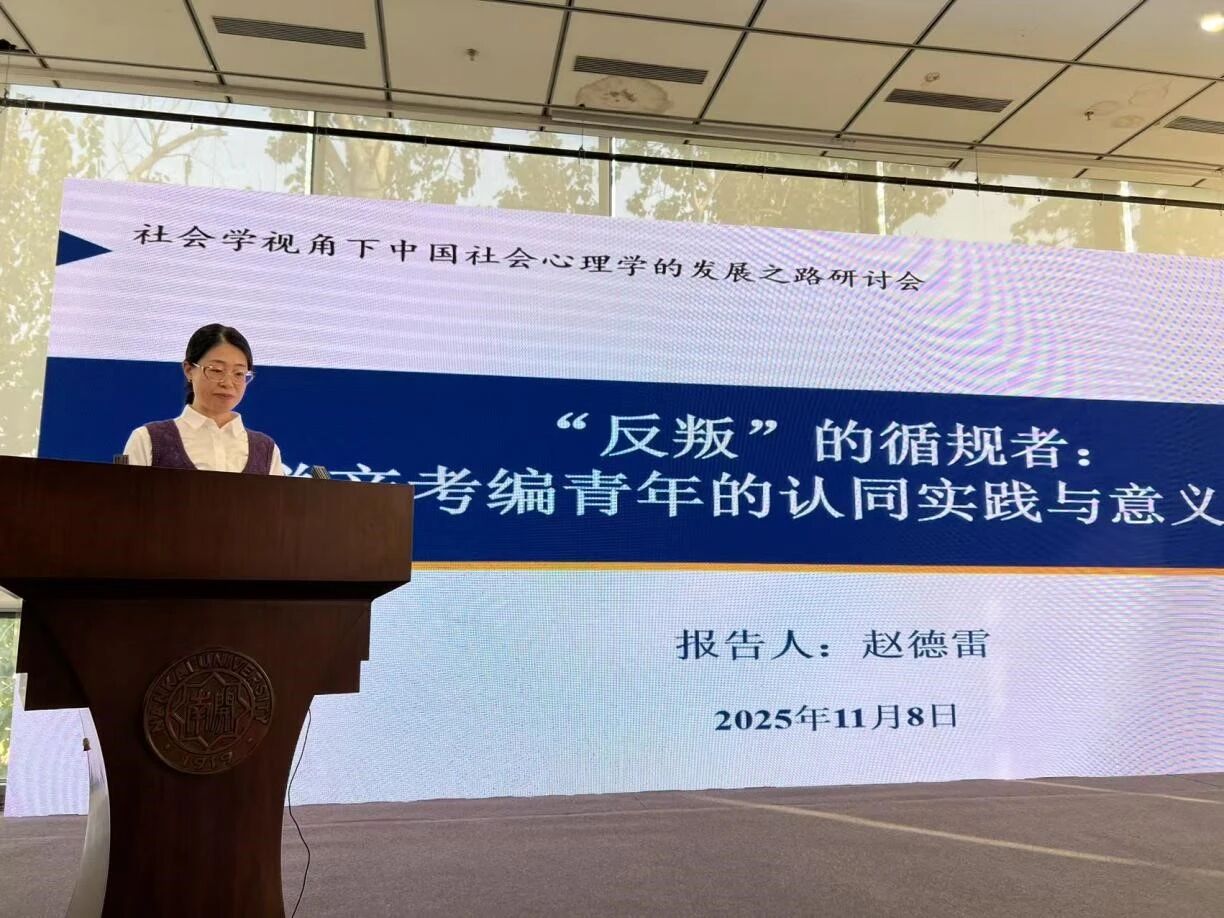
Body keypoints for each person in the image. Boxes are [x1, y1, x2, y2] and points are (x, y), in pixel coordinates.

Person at [122, 323, 284, 474]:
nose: (228, 383)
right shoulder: (148, 440)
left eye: (239, 373)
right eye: (216, 370)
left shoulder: (267, 451)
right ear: (189, 370)